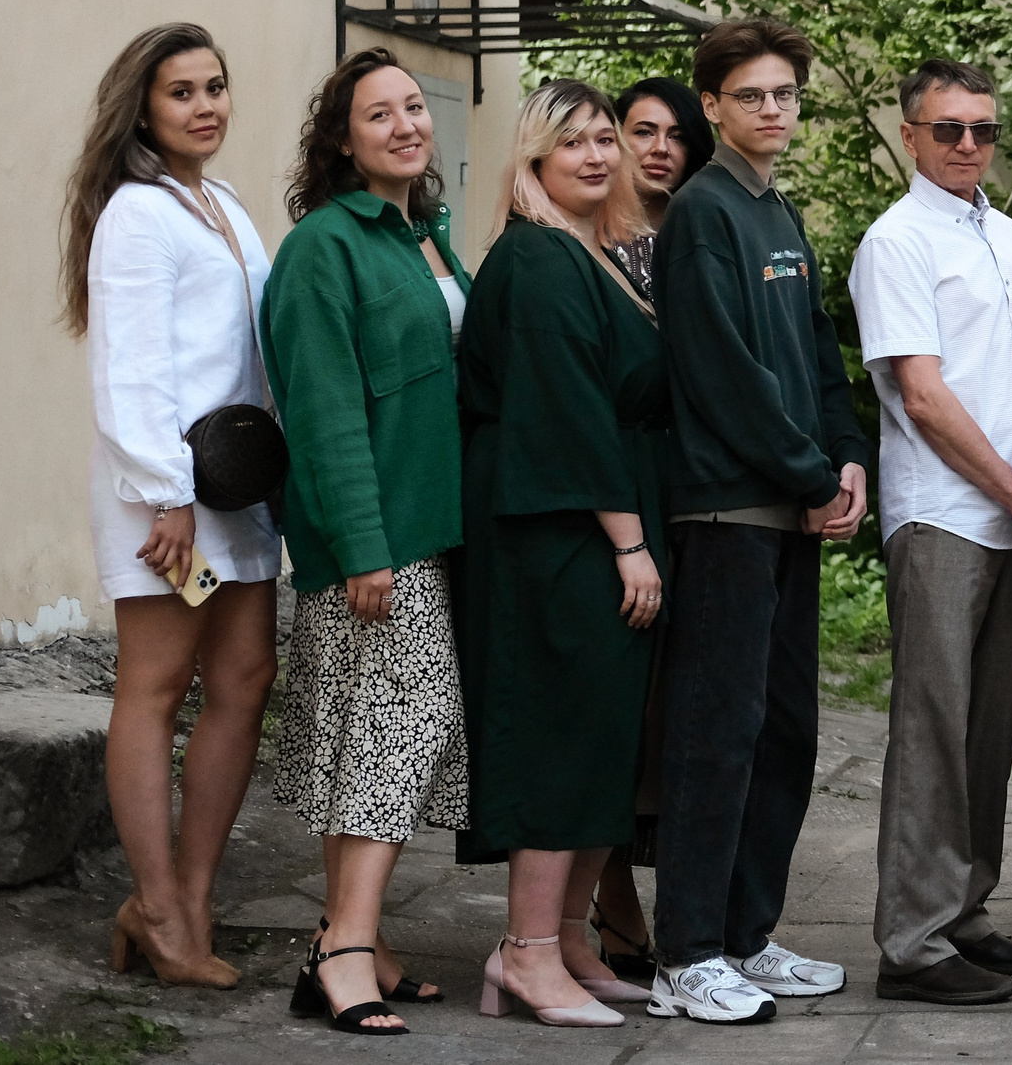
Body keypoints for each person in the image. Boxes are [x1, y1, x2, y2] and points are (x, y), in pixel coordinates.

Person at [647, 18, 868, 1024]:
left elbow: (819, 356)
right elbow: (723, 374)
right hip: (729, 509)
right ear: (713, 106)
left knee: (784, 729)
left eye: (784, 94)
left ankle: (747, 934)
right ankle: (686, 952)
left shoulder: (777, 209)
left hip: (792, 505)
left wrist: (846, 459)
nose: (771, 110)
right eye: (751, 96)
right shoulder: (701, 212)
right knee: (716, 732)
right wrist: (807, 473)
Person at [262, 50, 473, 1036]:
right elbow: (324, 407)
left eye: (414, 107)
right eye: (377, 113)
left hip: (433, 530)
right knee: (392, 733)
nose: (404, 125)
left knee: (387, 740)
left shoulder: (421, 237)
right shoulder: (323, 246)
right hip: (379, 540)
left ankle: (360, 940)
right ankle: (341, 952)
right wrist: (360, 545)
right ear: (341, 139)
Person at [64, 24, 279, 990]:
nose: (205, 105)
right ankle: (154, 903)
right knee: (156, 686)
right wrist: (167, 491)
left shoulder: (225, 204)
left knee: (245, 677)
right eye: (183, 91)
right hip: (167, 500)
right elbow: (131, 367)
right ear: (144, 108)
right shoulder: (137, 214)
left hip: (236, 492)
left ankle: (191, 894)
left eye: (216, 86)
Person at [852, 60, 1012, 1005]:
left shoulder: (1006, 232)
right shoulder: (896, 242)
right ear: (911, 135)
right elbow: (925, 396)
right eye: (948, 130)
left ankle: (965, 913)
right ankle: (912, 941)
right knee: (934, 726)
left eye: (983, 127)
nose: (969, 144)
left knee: (988, 729)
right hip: (944, 513)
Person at [454, 82, 668, 1028]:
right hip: (557, 533)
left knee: (598, 735)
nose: (595, 154)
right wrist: (629, 543)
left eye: (604, 138)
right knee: (557, 732)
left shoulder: (594, 252)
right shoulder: (538, 261)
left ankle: (570, 942)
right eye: (570, 140)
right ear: (533, 157)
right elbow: (571, 415)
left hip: (589, 525)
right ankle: (525, 954)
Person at [590, 74, 712, 974]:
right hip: (619, 493)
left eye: (676, 131)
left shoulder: (696, 232)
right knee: (620, 710)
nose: (659, 145)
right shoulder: (584, 245)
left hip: (694, 491)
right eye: (642, 129)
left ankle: (674, 903)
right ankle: (611, 902)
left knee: (678, 706)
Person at [607, 77, 713, 302]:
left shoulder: (710, 234)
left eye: (677, 137)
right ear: (615, 138)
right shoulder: (584, 234)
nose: (661, 149)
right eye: (644, 132)